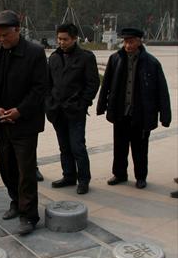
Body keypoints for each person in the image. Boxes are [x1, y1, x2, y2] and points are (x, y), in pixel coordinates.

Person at [0, 10, 47, 235]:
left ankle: (29, 215)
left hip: (24, 122)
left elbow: (40, 88)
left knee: (25, 170)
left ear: (17, 30)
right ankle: (15, 202)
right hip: (1, 121)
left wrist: (20, 111)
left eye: (5, 35)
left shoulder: (35, 53)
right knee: (7, 167)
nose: (1, 40)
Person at [97, 27, 171, 189]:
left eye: (131, 41)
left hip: (141, 114)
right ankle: (120, 174)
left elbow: (162, 91)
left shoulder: (151, 63)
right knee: (119, 147)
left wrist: (165, 116)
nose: (128, 45)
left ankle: (141, 176)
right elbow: (106, 84)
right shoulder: (115, 59)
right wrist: (102, 106)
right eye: (125, 41)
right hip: (120, 112)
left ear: (139, 41)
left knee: (140, 148)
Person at [47, 23, 100, 194]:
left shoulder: (86, 57)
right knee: (64, 146)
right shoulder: (54, 57)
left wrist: (83, 103)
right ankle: (69, 175)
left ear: (74, 38)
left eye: (65, 39)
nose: (61, 42)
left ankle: (83, 179)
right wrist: (49, 103)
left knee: (77, 146)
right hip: (57, 110)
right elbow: (48, 83)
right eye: (59, 39)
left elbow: (92, 83)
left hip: (75, 110)